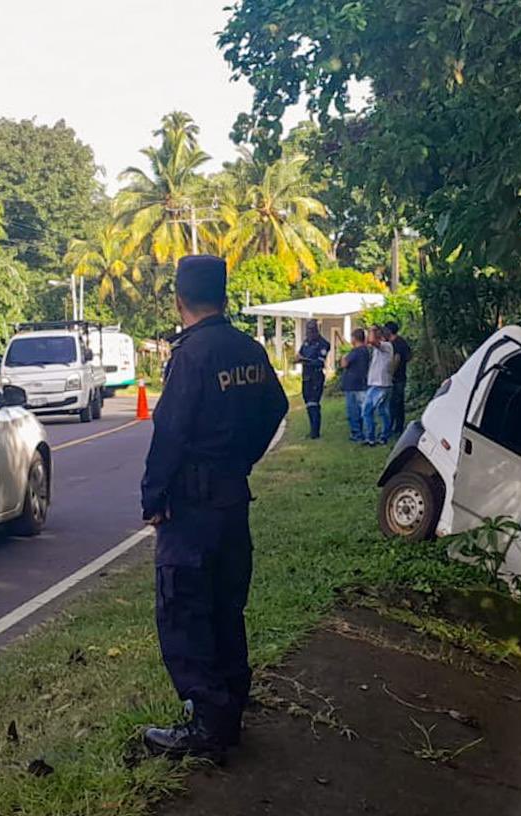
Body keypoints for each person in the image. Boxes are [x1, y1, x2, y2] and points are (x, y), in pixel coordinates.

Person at [140, 255, 289, 762]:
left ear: (179, 298)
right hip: (232, 500)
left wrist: (152, 496)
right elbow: (276, 407)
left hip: (191, 507)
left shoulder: (192, 355)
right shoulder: (247, 348)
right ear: (224, 297)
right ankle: (229, 710)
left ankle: (207, 723)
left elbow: (171, 431)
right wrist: (242, 457)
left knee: (184, 611)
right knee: (227, 608)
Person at [296, 319, 330, 439]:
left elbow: (319, 362)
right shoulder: (306, 343)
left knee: (314, 403)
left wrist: (305, 360)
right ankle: (312, 430)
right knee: (308, 404)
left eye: (311, 330)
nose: (309, 334)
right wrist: (298, 359)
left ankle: (315, 432)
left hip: (316, 376)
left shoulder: (323, 343)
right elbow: (299, 355)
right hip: (306, 376)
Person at [362, 326, 394, 446]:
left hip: (379, 385)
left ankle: (371, 437)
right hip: (382, 384)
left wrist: (371, 330)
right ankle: (384, 436)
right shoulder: (381, 348)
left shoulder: (386, 346)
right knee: (383, 411)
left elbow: (371, 341)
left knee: (367, 411)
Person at [339, 327, 371, 442]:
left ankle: (357, 434)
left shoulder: (356, 351)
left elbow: (344, 363)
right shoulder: (366, 351)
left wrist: (343, 356)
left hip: (353, 386)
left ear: (354, 338)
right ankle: (366, 433)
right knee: (364, 411)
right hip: (362, 384)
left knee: (353, 411)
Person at [384, 320, 413, 438]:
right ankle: (397, 426)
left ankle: (395, 427)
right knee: (398, 403)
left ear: (389, 331)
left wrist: (391, 373)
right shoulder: (401, 342)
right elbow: (409, 356)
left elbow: (397, 358)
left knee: (394, 403)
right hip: (401, 376)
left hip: (396, 378)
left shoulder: (396, 343)